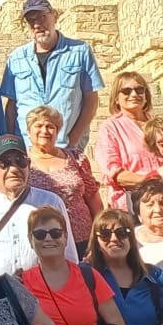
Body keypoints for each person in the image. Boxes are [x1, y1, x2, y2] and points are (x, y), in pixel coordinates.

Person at [0, 133, 75, 276]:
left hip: (41, 291)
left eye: (20, 161)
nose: (13, 169)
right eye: (5, 162)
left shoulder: (51, 202)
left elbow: (69, 257)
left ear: (29, 165)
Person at [0, 0, 104, 150]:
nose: (37, 24)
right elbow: (12, 105)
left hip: (66, 146)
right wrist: (13, 143)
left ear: (54, 16)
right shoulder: (16, 58)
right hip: (28, 149)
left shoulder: (79, 52)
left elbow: (91, 99)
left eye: (42, 17)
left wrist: (74, 139)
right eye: (30, 20)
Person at [25, 104, 103, 248]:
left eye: (50, 126)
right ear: (28, 131)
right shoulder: (22, 162)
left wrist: (100, 232)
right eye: (38, 126)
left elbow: (92, 196)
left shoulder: (76, 158)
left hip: (82, 238)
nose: (44, 131)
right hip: (42, 239)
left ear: (57, 131)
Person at [93, 71, 161, 203]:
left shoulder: (160, 124)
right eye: (126, 91)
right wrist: (151, 180)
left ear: (146, 95)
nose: (134, 94)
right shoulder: (110, 128)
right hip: (131, 203)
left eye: (139, 90)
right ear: (116, 98)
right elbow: (113, 173)